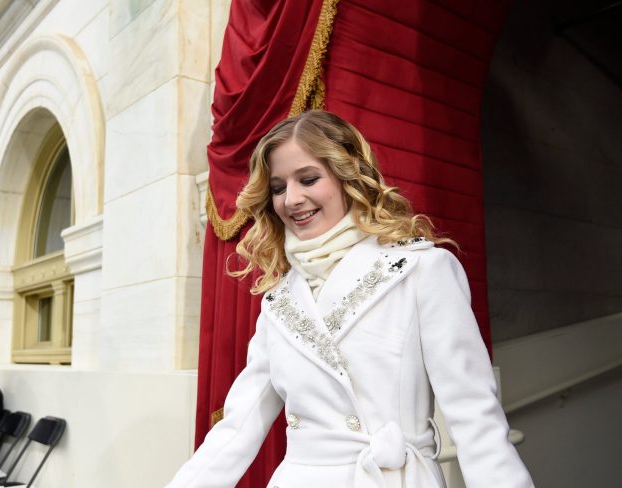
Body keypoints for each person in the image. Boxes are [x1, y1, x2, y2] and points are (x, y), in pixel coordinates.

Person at [167, 111, 534, 488]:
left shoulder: (422, 270)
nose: (292, 199)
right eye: (278, 187)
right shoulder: (278, 301)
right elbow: (237, 428)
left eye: (308, 179)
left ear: (348, 177)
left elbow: (475, 418)